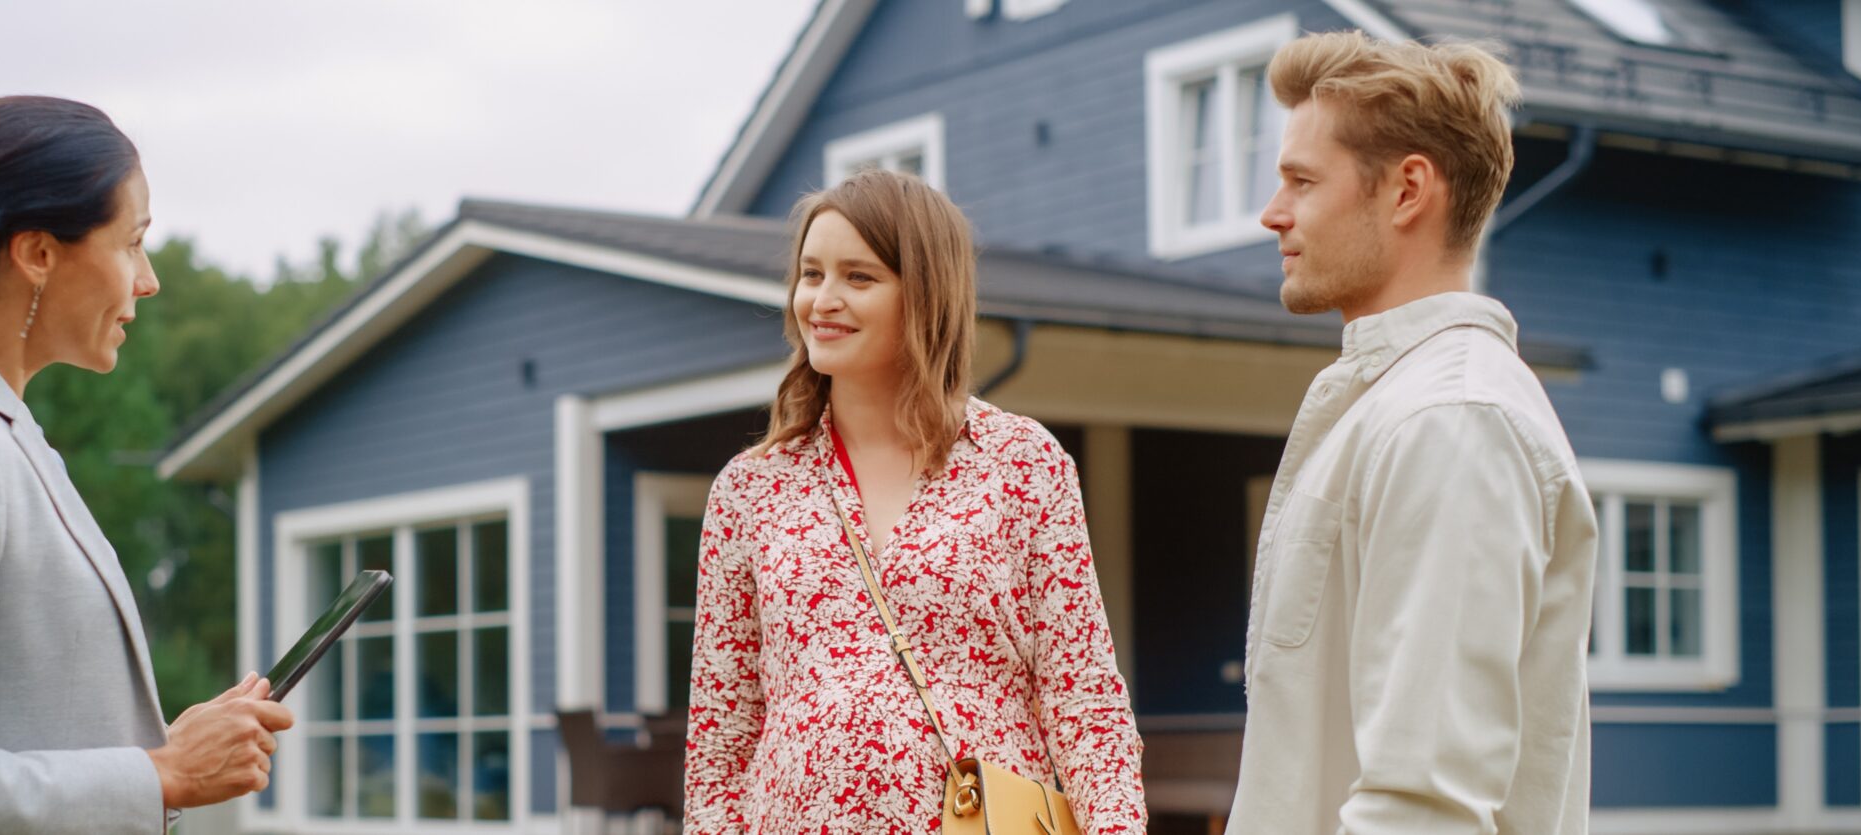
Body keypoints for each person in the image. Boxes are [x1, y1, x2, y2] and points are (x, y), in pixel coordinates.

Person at [0, 95, 291, 834]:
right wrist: (161, 774)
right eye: (132, 242)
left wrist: (164, 748)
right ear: (37, 253)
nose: (148, 279)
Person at [682, 169, 1144, 833]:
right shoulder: (750, 489)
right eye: (811, 275)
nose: (823, 299)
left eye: (858, 277)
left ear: (924, 295)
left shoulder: (1019, 462)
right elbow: (719, 743)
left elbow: (1085, 700)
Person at [1228, 32, 1599, 834]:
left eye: (1301, 180)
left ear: (1406, 192)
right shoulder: (1401, 406)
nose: (1273, 213)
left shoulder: (1450, 422)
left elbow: (1425, 804)